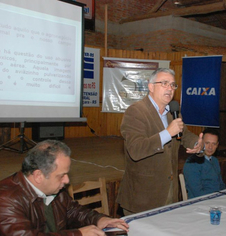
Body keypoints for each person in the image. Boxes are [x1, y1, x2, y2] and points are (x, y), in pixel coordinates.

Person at [117, 68, 203, 215]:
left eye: (173, 85)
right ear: (151, 87)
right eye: (164, 83)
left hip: (170, 194)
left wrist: (197, 144)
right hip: (142, 199)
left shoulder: (173, 111)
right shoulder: (135, 111)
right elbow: (136, 150)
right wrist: (167, 133)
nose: (170, 88)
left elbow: (184, 133)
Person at [0, 140, 129, 236]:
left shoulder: (55, 188)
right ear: (38, 175)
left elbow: (73, 211)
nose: (67, 180)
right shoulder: (6, 199)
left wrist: (99, 219)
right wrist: (78, 234)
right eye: (61, 176)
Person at [183, 128, 226, 199]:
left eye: (214, 144)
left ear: (217, 145)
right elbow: (198, 193)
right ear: (201, 143)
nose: (210, 147)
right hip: (200, 202)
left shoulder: (215, 160)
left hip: (218, 199)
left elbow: (221, 185)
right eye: (207, 143)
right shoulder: (191, 162)